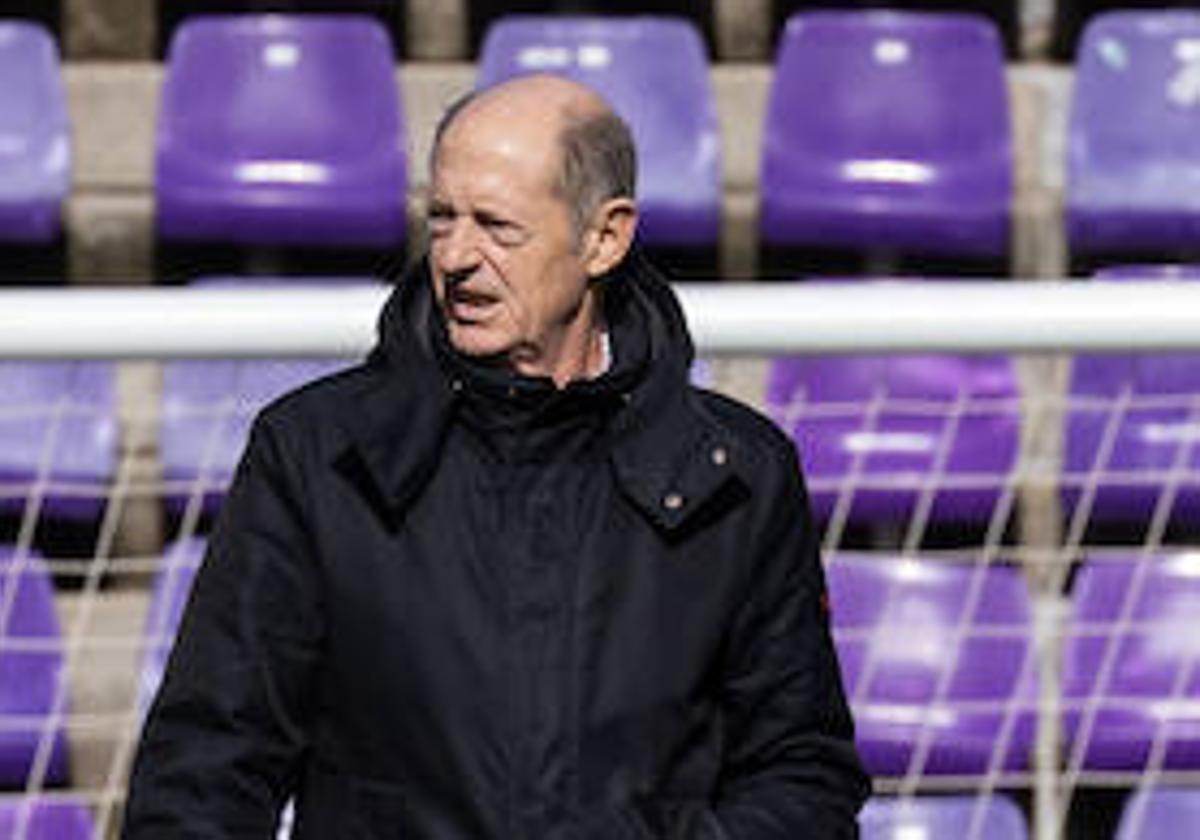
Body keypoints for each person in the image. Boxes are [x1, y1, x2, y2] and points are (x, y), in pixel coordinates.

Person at [123, 74, 870, 839]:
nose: (456, 256)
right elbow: (203, 772)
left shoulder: (738, 475)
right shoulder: (317, 455)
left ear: (605, 237)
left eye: (497, 227)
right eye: (442, 219)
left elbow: (801, 776)